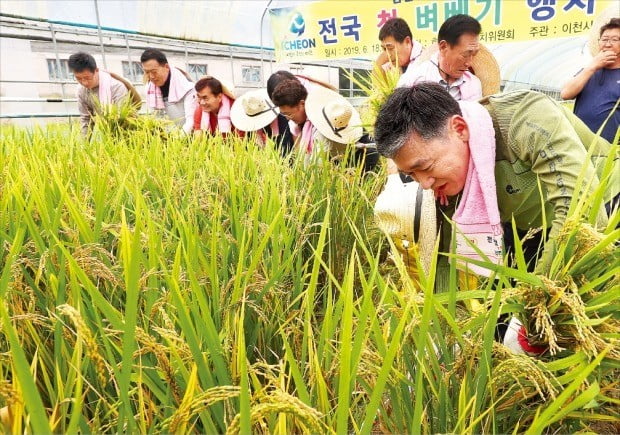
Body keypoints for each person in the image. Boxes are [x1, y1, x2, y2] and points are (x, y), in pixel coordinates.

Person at [374, 82, 617, 277]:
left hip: (604, 202)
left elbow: (580, 211)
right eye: (412, 175)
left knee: (577, 295)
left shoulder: (525, 118)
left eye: (424, 168)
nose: (424, 183)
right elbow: (444, 252)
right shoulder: (443, 176)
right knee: (506, 311)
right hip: (529, 222)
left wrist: (539, 297)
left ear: (459, 129)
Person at [271, 79, 377, 171]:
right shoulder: (308, 118)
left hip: (362, 156)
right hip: (341, 155)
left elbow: (315, 167)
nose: (287, 118)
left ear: (302, 104)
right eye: (284, 114)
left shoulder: (322, 123)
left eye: (289, 114)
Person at [561, 17, 620, 143]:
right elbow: (565, 94)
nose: (608, 44)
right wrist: (592, 66)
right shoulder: (587, 70)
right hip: (578, 144)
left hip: (609, 150)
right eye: (604, 39)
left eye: (614, 40)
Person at [398, 14, 484, 101]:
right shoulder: (413, 79)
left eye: (474, 54)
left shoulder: (473, 84)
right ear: (443, 47)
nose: (468, 63)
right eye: (465, 55)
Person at [68, 52, 139, 136]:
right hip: (107, 132)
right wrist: (84, 146)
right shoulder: (81, 90)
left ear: (96, 71)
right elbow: (86, 119)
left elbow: (122, 118)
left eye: (87, 78)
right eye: (78, 78)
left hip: (131, 131)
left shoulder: (116, 87)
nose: (84, 82)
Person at [141, 48, 196, 134]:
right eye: (147, 72)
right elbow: (156, 119)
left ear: (166, 67)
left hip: (190, 137)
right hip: (168, 136)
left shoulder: (188, 88)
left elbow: (191, 122)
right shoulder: (150, 89)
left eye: (154, 72)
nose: (151, 76)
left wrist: (175, 142)